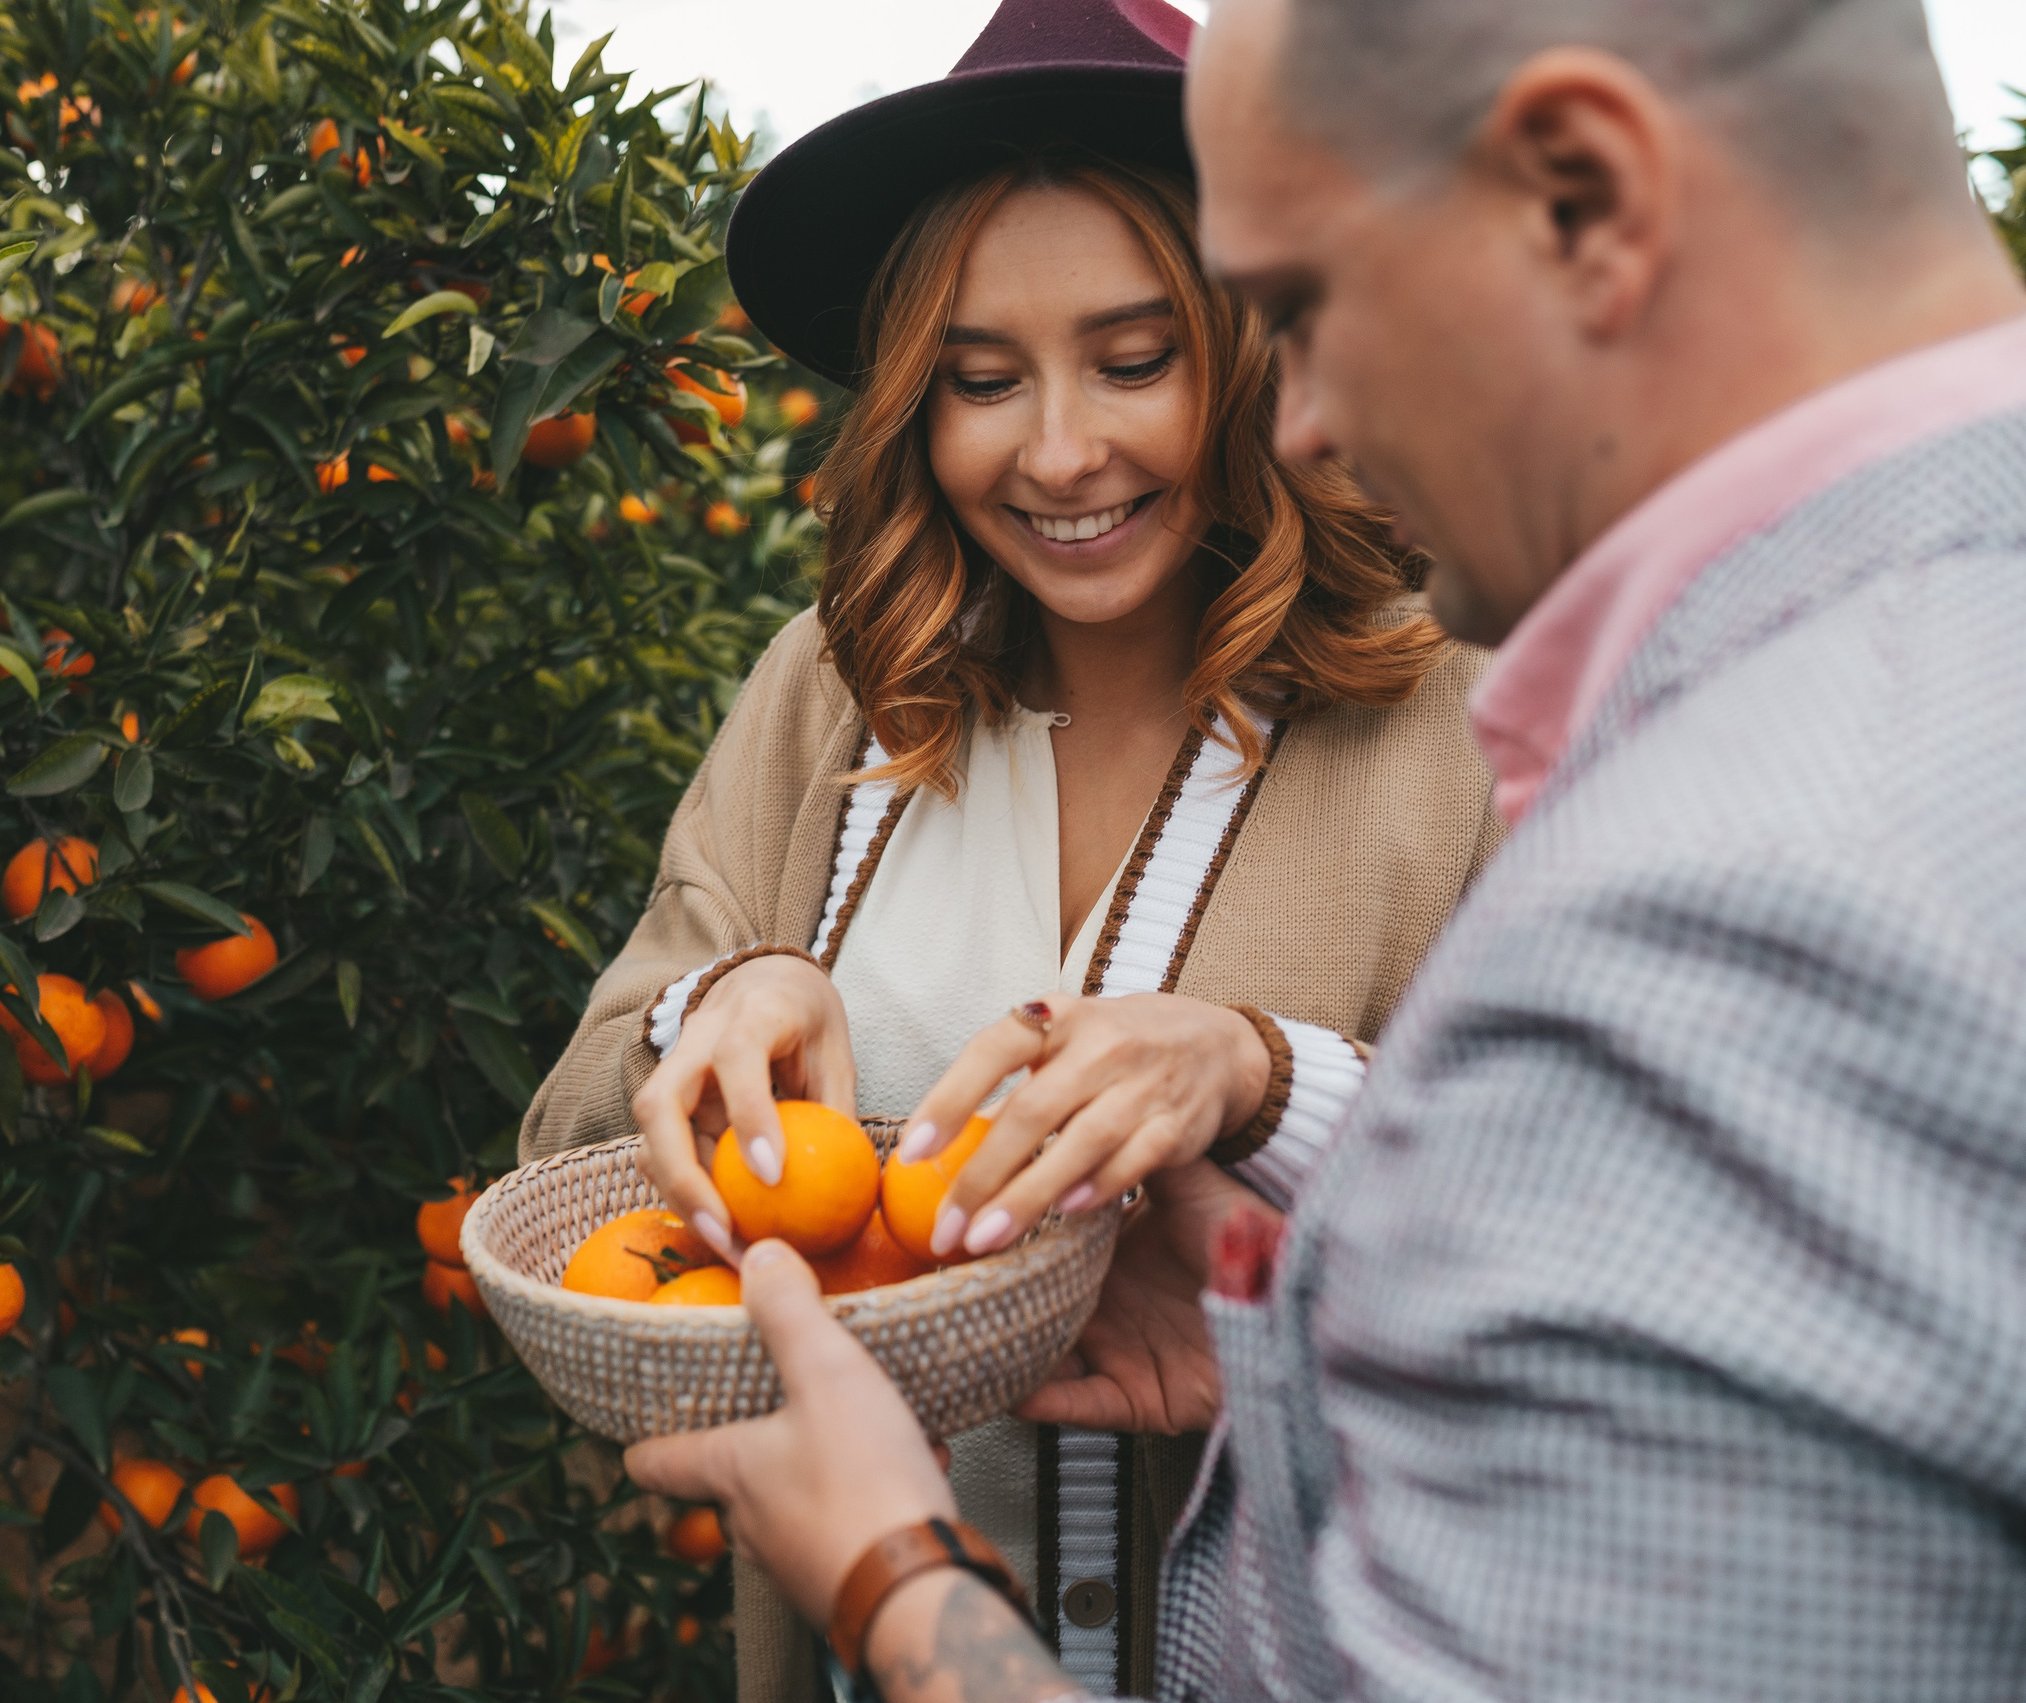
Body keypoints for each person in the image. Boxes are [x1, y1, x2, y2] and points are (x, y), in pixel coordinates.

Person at [628, 0, 2026, 1696]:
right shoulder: (839, 694)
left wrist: (893, 1580)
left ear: (1586, 195)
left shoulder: (1706, 861)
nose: (1306, 420)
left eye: (1292, 313)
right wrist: (1286, 1342)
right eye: (981, 380)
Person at [518, 1, 1500, 1696]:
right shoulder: (837, 691)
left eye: (1136, 361)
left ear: (1258, 353)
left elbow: (1590, 1231)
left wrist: (1260, 1081)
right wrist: (721, 1009)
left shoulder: (1459, 718)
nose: (1057, 452)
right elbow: (572, 1156)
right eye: (982, 380)